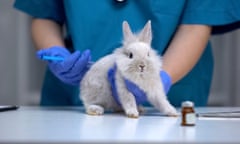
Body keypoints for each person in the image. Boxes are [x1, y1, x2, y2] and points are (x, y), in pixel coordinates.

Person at [14, 0, 240, 107]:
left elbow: (196, 25)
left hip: (173, 91)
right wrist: (58, 54)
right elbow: (44, 13)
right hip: (74, 99)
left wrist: (158, 81)